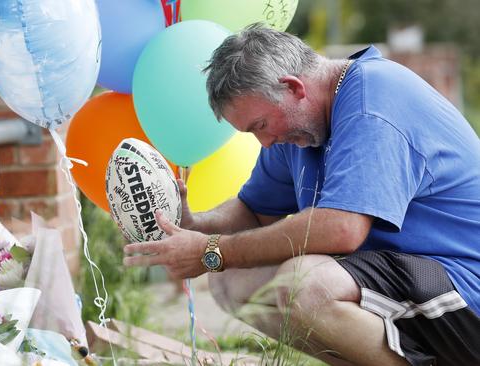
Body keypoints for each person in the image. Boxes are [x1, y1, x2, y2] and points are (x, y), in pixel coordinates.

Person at [123, 23, 480, 366]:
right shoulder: (297, 127)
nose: (263, 142)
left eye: (260, 126)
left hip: (466, 293)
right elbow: (254, 211)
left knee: (308, 284)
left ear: (294, 87)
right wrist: (197, 227)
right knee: (233, 280)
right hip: (417, 290)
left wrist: (214, 250)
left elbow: (342, 229)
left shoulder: (373, 100)